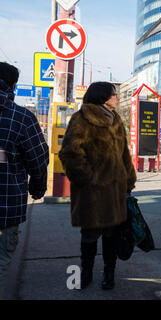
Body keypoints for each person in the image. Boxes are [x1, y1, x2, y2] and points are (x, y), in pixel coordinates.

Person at [59, 82, 136, 290]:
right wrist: (88, 178)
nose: (117, 98)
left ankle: (109, 274)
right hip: (91, 192)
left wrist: (129, 178)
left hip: (115, 191)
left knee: (112, 235)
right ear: (102, 97)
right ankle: (86, 273)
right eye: (114, 94)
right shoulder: (81, 119)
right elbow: (69, 153)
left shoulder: (117, 119)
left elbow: (124, 154)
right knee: (90, 235)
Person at [0, 62, 49, 282]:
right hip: (5, 206)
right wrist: (37, 188)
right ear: (12, 87)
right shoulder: (21, 117)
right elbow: (37, 161)